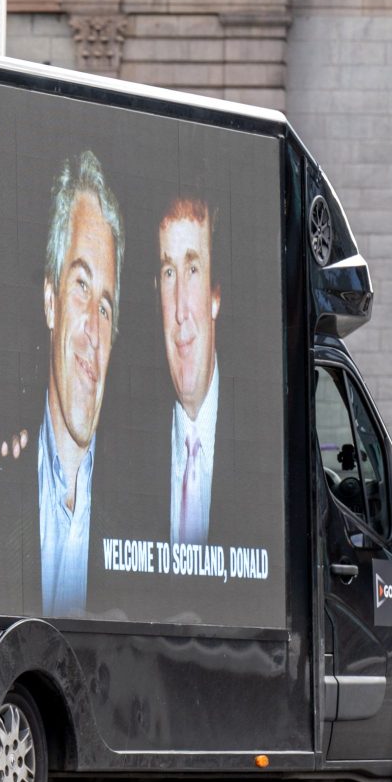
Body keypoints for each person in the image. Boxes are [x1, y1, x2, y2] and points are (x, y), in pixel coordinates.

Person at [37, 150, 124, 617]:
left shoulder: (134, 512)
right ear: (51, 300)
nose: (93, 328)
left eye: (105, 307)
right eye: (81, 286)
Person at [156, 196, 222, 545]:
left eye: (193, 270)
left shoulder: (266, 440)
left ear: (215, 297)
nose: (180, 310)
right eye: (169, 273)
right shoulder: (123, 448)